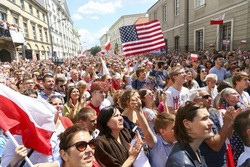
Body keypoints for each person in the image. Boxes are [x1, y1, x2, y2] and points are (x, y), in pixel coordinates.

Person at [166, 102, 214, 167]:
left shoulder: (195, 149)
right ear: (187, 124)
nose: (211, 123)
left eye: (209, 118)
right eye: (204, 119)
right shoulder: (181, 163)